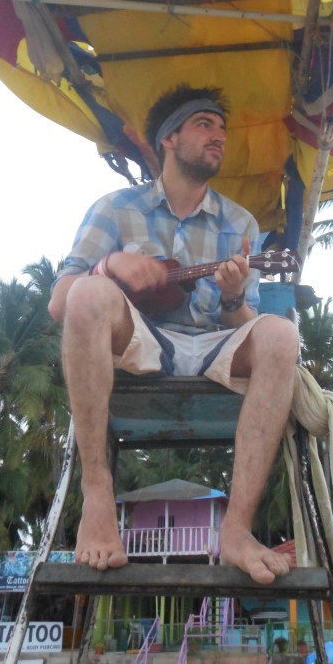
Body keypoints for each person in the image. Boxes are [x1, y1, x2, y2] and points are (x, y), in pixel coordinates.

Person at [48, 85, 299, 584]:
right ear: (170, 138)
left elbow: (240, 325)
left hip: (210, 344)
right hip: (139, 339)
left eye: (222, 129)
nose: (219, 137)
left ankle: (236, 530)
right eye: (205, 124)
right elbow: (61, 302)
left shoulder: (240, 223)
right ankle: (97, 498)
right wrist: (108, 263)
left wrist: (232, 299)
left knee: (280, 336)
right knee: (90, 294)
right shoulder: (116, 208)